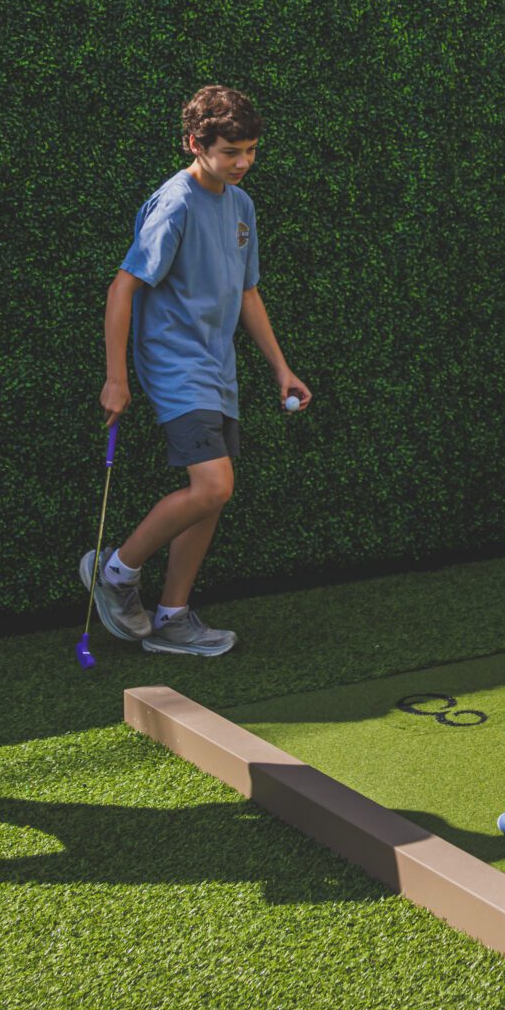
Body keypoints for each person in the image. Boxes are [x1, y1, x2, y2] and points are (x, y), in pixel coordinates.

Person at [84, 85, 310, 656]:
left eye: (251, 150)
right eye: (231, 151)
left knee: (212, 495)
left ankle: (172, 617)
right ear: (195, 143)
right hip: (174, 364)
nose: (243, 163)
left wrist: (280, 368)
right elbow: (123, 287)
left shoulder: (242, 206)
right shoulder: (176, 202)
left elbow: (247, 292)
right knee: (213, 484)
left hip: (218, 367)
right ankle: (114, 572)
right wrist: (117, 377)